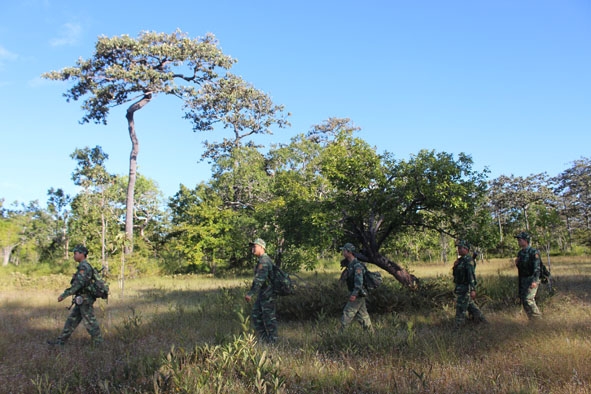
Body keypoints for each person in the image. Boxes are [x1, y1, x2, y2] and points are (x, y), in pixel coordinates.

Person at [48, 245, 104, 346]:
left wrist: (64, 294)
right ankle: (60, 342)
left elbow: (79, 284)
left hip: (85, 299)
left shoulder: (84, 267)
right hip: (81, 299)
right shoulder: (83, 266)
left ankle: (98, 343)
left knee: (90, 322)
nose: (74, 255)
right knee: (71, 321)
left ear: (82, 254)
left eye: (75, 253)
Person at [244, 238, 278, 344]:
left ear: (262, 247)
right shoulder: (262, 260)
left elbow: (260, 279)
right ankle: (265, 339)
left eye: (255, 246)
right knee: (256, 314)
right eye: (252, 247)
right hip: (263, 294)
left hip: (268, 294)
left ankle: (273, 341)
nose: (252, 249)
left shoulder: (264, 261)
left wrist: (250, 293)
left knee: (269, 317)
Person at [340, 243, 373, 333]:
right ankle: (371, 335)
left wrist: (354, 294)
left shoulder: (357, 265)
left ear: (349, 252)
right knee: (363, 316)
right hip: (358, 294)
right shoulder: (350, 264)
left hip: (358, 294)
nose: (343, 252)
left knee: (347, 314)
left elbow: (359, 282)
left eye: (344, 250)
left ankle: (341, 335)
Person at [452, 240, 487, 327]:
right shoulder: (460, 260)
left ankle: (458, 327)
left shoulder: (469, 261)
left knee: (460, 309)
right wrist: (455, 267)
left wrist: (472, 289)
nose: (458, 250)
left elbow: (471, 276)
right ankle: (484, 322)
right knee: (471, 307)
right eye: (458, 248)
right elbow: (456, 275)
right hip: (460, 287)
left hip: (465, 288)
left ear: (466, 249)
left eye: (460, 248)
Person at [514, 232, 542, 320]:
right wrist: (517, 264)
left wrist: (534, 281)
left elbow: (537, 268)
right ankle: (532, 319)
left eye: (520, 240)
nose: (518, 242)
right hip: (523, 279)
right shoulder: (520, 253)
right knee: (523, 299)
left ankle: (538, 319)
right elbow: (521, 269)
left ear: (525, 241)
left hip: (532, 278)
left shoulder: (533, 252)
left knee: (528, 299)